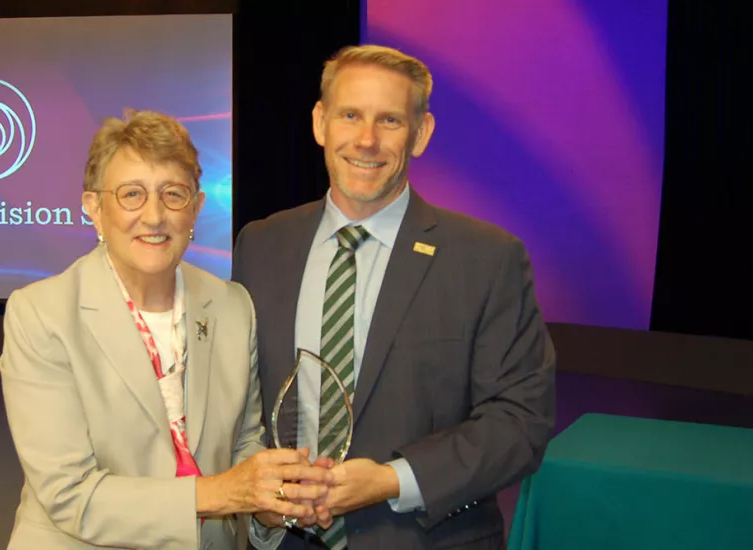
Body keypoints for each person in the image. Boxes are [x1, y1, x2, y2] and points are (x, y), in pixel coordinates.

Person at [232, 45, 556, 549]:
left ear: (420, 133)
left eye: (389, 120)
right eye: (350, 115)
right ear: (321, 123)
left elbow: (519, 424)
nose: (366, 140)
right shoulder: (260, 244)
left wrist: (391, 479)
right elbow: (239, 404)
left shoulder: (488, 259)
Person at [0, 109, 333, 550]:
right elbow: (69, 495)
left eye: (173, 194)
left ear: (195, 208)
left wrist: (272, 500)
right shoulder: (41, 314)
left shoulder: (233, 306)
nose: (154, 216)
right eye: (131, 194)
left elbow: (244, 443)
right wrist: (222, 492)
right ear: (94, 209)